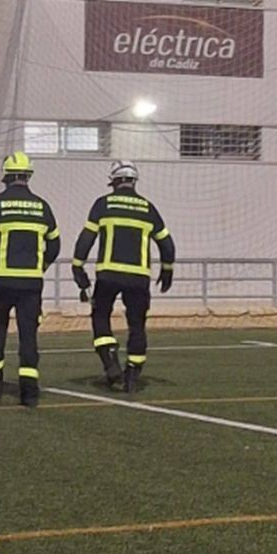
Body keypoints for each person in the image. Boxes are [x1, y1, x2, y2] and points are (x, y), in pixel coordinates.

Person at [70, 161, 175, 394]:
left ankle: (111, 365)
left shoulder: (103, 204)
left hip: (108, 275)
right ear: (134, 181)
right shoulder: (148, 208)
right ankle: (132, 375)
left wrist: (78, 267)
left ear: (114, 181)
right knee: (137, 324)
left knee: (100, 316)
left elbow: (86, 238)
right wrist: (167, 269)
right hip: (138, 277)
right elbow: (167, 244)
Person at [0, 151, 60, 407]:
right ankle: (29, 391)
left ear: (6, 177)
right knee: (28, 335)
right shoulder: (42, 206)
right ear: (28, 176)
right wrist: (41, 264)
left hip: (1, 281)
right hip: (31, 283)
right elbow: (55, 244)